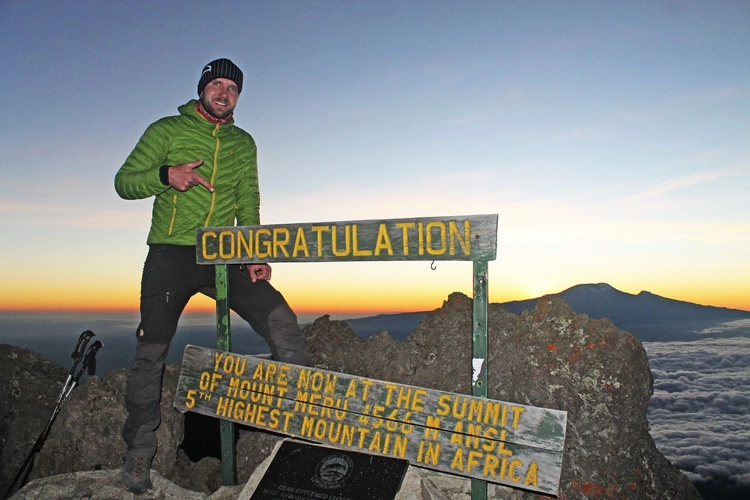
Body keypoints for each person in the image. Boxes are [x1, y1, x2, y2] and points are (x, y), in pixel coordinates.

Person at [114, 58, 309, 494]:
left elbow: (249, 200)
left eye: (233, 88)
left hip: (225, 253)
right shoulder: (165, 130)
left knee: (283, 323)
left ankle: (297, 427)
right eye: (216, 84)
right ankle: (139, 453)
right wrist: (167, 175)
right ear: (202, 88)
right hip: (170, 253)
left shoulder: (244, 143)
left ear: (238, 96)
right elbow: (123, 182)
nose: (224, 92)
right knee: (152, 350)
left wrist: (255, 250)